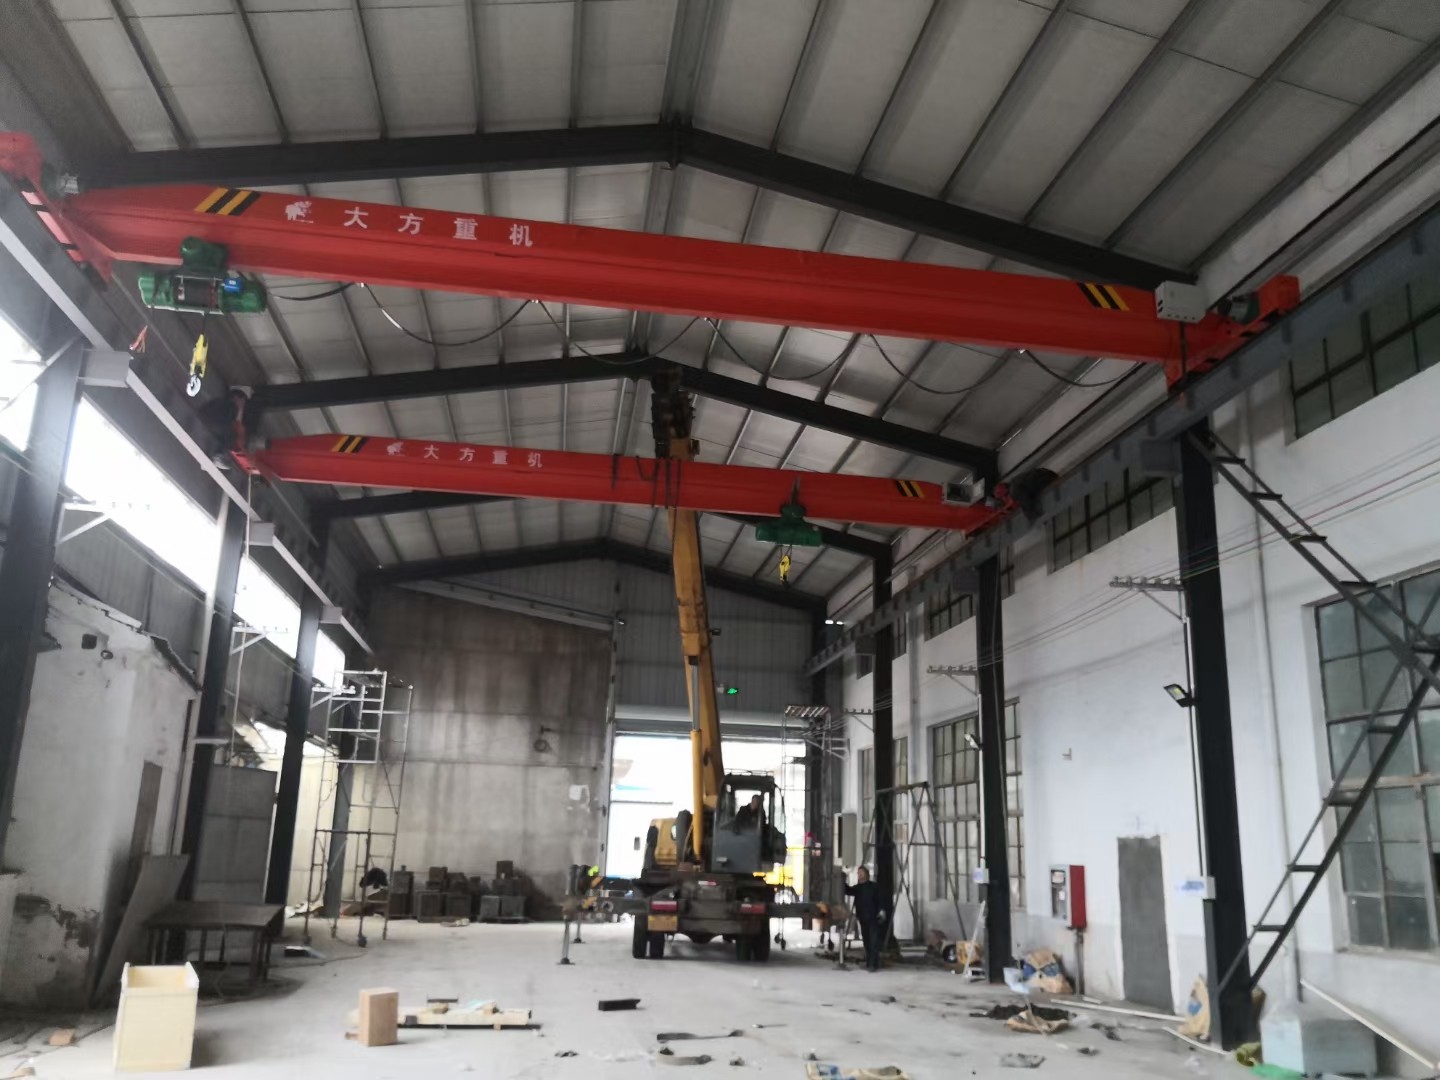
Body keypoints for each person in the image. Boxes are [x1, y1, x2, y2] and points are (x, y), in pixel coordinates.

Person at [844, 866, 887, 972]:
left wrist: (881, 910)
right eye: (858, 873)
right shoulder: (858, 888)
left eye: (861, 873)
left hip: (873, 918)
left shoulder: (873, 887)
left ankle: (873, 964)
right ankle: (870, 962)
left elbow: (880, 899)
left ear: (867, 874)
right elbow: (848, 891)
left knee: (873, 942)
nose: (859, 875)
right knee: (867, 942)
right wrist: (841, 880)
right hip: (862, 918)